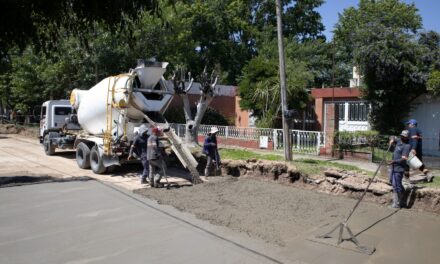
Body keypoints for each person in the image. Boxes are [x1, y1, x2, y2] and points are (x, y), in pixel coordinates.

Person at [388, 130, 411, 209]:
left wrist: (394, 161)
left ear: (407, 138)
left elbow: (404, 159)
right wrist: (391, 140)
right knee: (391, 181)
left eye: (404, 137)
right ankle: (403, 193)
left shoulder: (406, 146)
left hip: (399, 168)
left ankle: (397, 203)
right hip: (393, 167)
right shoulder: (399, 141)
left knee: (396, 185)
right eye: (401, 136)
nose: (402, 137)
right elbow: (392, 136)